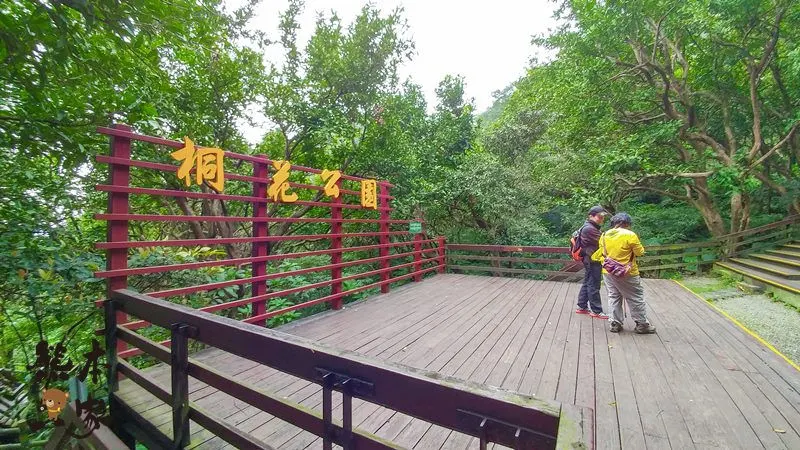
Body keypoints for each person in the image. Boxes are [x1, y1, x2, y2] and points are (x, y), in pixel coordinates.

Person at [591, 212, 656, 334]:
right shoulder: (630, 235)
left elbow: (602, 252)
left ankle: (615, 323)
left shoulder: (604, 235)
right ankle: (642, 324)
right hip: (627, 272)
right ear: (626, 223)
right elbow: (640, 252)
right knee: (635, 297)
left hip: (608, 271)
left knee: (613, 296)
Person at [575, 205, 609, 319]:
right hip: (592, 259)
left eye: (602, 217)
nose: (601, 219)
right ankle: (596, 310)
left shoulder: (589, 227)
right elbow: (605, 242)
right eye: (599, 216)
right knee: (594, 284)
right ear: (591, 216)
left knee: (588, 282)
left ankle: (582, 306)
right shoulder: (589, 229)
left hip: (589, 258)